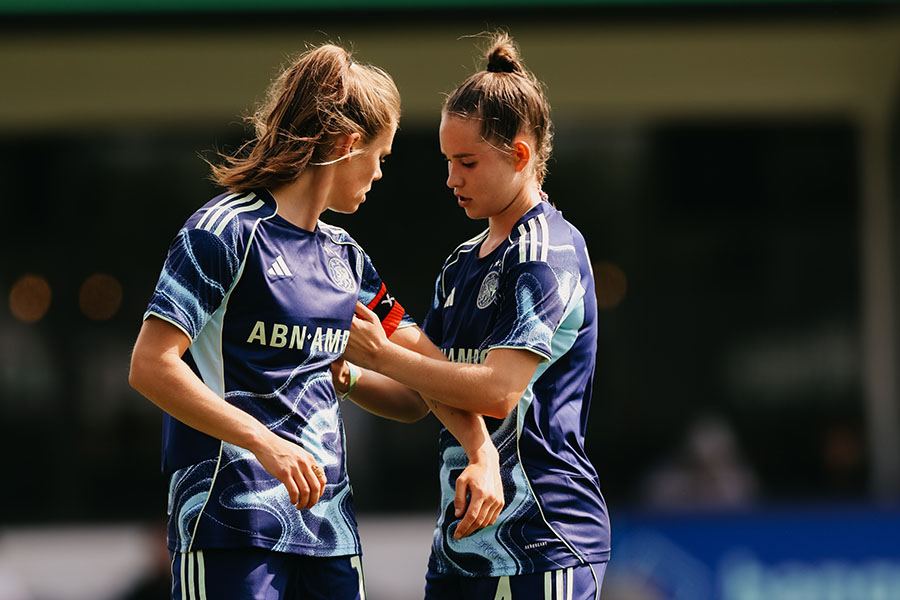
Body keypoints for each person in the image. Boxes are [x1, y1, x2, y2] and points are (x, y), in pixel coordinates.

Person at [128, 43, 502, 600]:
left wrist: (481, 450)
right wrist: (264, 443)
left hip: (329, 533)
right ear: (350, 145)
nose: (379, 173)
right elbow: (150, 367)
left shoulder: (344, 258)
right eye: (382, 155)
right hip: (228, 522)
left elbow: (422, 373)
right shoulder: (224, 231)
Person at [340, 33, 610, 600]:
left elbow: (497, 393)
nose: (450, 178)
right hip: (461, 546)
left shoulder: (547, 253)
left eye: (466, 162)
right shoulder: (461, 264)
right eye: (447, 161)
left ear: (519, 156)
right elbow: (421, 397)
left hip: (544, 539)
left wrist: (383, 353)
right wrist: (351, 377)